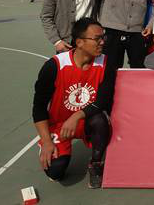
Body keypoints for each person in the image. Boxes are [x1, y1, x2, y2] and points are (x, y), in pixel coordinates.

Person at [32, 18, 114, 189]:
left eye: (103, 37)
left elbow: (102, 101)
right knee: (56, 172)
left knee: (100, 120)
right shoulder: (54, 66)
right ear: (79, 42)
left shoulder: (106, 63)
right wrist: (46, 141)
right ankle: (55, 148)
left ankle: (96, 164)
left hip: (86, 120)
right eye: (97, 38)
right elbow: (38, 108)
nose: (102, 42)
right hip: (59, 126)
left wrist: (76, 116)